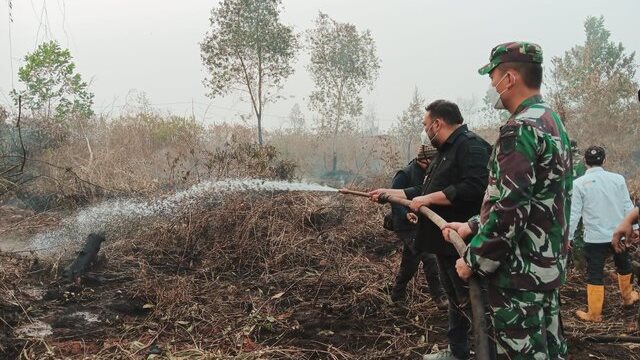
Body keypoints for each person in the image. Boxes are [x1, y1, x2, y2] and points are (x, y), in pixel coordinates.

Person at [443, 42, 572, 359]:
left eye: (493, 78)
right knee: (550, 350)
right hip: (547, 269)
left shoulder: (519, 130)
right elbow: (535, 196)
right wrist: (473, 225)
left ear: (510, 78)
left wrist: (474, 260)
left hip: (520, 275)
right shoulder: (552, 122)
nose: (491, 87)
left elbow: (510, 208)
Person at [371, 99, 491, 360]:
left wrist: (428, 200)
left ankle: (487, 352)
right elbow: (422, 193)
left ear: (438, 123)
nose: (425, 131)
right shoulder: (445, 151)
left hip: (461, 241)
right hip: (442, 241)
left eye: (426, 125)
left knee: (471, 302)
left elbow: (474, 188)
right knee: (454, 302)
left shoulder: (471, 147)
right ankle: (457, 352)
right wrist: (388, 193)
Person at [569, 146, 640, 322]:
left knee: (595, 272)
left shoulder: (578, 184)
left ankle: (594, 314)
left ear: (585, 162)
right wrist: (636, 227)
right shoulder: (618, 179)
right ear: (605, 160)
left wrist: (568, 237)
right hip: (619, 234)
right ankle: (628, 298)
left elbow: (574, 213)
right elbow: (627, 205)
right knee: (624, 265)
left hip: (594, 238)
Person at [388, 144, 448, 309]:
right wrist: (405, 214)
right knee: (429, 257)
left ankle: (397, 296)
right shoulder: (404, 174)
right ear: (425, 159)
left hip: (421, 224)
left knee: (410, 262)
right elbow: (393, 199)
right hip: (405, 226)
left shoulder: (430, 174)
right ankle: (440, 297)